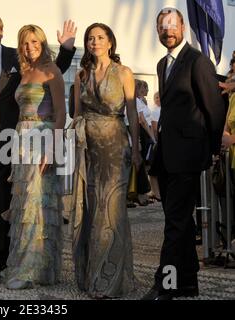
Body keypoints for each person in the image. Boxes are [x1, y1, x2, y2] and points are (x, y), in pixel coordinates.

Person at [0, 14, 76, 281]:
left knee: (17, 200)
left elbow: (51, 74)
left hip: (19, 138)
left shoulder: (17, 58)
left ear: (2, 33)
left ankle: (8, 259)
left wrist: (68, 49)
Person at [142, 8, 226, 300]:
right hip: (167, 155)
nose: (167, 31)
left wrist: (212, 150)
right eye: (162, 27)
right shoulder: (162, 64)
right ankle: (188, 283)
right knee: (181, 222)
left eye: (172, 25)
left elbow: (214, 108)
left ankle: (165, 285)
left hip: (188, 156)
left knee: (174, 223)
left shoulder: (197, 61)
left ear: (182, 27)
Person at [70, 23, 141, 298]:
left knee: (110, 212)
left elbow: (133, 113)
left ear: (110, 42)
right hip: (88, 150)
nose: (94, 42)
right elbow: (76, 113)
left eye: (100, 37)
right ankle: (92, 276)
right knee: (90, 210)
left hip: (115, 148)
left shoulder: (123, 73)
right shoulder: (81, 74)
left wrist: (136, 150)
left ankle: (111, 280)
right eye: (90, 38)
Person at [1, 24, 66, 290]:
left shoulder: (53, 71)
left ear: (43, 43)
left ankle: (31, 270)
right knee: (25, 204)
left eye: (35, 43)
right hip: (23, 140)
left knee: (38, 206)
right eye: (26, 43)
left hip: (43, 138)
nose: (30, 48)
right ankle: (28, 266)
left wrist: (52, 148)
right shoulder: (25, 73)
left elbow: (61, 113)